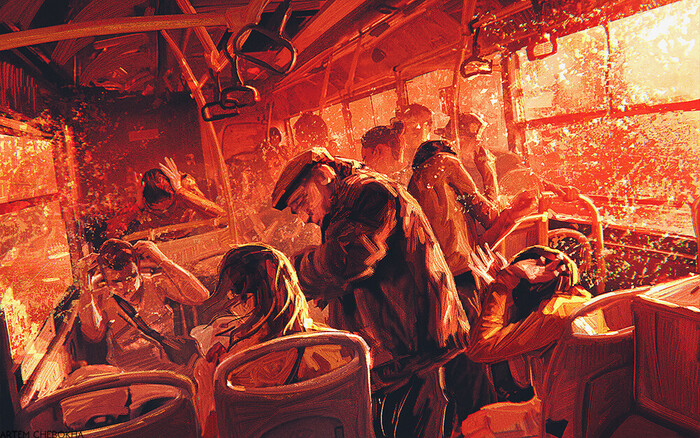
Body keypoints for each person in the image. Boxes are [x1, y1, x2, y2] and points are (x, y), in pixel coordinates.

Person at [272, 147, 491, 438]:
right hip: (401, 350)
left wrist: (288, 271)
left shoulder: (369, 192)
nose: (303, 217)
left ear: (323, 175)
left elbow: (349, 260)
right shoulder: (347, 199)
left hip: (415, 348)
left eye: (301, 202)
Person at [190, 243, 340, 438]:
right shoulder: (339, 345)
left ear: (244, 298)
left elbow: (214, 434)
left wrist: (208, 383)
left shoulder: (233, 373)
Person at [462, 245, 592, 438]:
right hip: (579, 414)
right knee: (476, 422)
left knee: (472, 428)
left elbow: (480, 348)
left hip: (559, 424)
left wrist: (504, 282)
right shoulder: (581, 301)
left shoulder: (550, 315)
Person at [78, 239, 209, 374]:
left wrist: (161, 259)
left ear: (138, 268)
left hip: (172, 369)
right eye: (116, 282)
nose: (126, 287)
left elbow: (201, 296)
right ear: (105, 279)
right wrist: (84, 282)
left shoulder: (155, 284)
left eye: (131, 277)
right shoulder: (101, 299)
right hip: (131, 375)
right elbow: (93, 335)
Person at [105, 158, 225, 241]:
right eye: (158, 210)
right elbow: (110, 233)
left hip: (193, 235)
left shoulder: (184, 187)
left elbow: (222, 218)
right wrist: (137, 208)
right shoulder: (138, 197)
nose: (166, 213)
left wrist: (181, 192)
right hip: (159, 244)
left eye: (170, 206)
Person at [440, 112, 500, 203]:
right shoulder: (446, 164)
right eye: (466, 140)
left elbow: (492, 196)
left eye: (475, 141)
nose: (474, 145)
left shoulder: (481, 160)